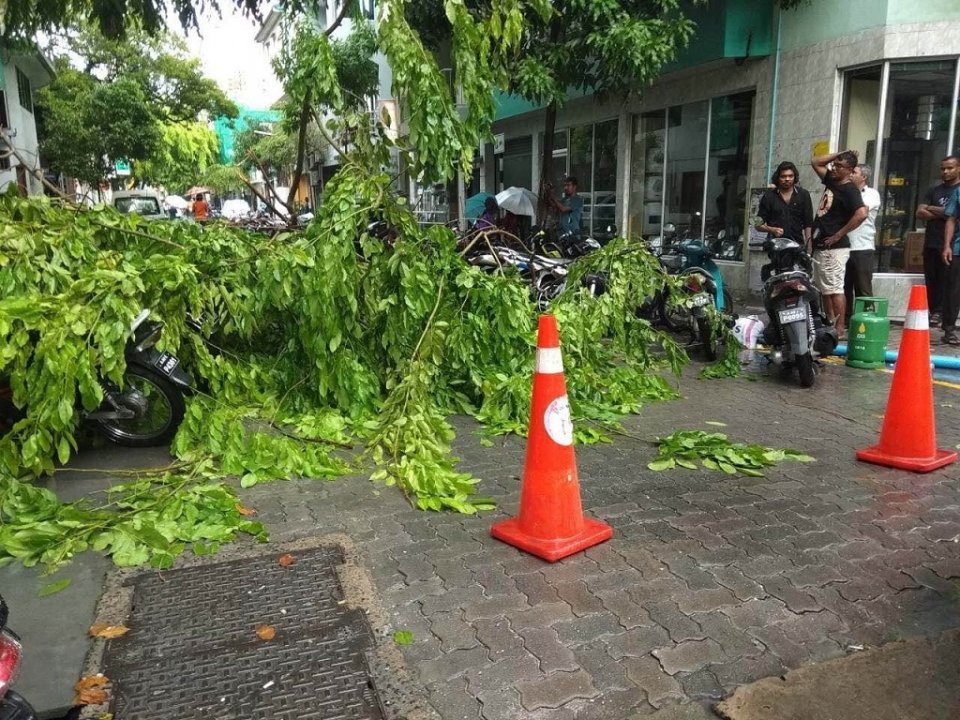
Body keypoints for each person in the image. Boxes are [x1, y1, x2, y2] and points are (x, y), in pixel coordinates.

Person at [811, 150, 868, 339]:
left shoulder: (850, 189)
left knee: (835, 288)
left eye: (839, 166)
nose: (834, 168)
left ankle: (839, 328)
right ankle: (830, 323)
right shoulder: (832, 181)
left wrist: (839, 234)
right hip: (821, 245)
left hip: (834, 248)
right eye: (834, 165)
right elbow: (816, 162)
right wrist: (838, 154)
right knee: (825, 289)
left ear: (850, 170)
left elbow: (861, 214)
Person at [916, 156, 960, 322]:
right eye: (943, 168)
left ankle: (943, 314)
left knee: (947, 281)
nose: (946, 172)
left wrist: (933, 209)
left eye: (950, 168)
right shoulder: (933, 190)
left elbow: (951, 215)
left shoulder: (958, 190)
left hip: (951, 244)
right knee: (931, 279)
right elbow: (920, 212)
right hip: (932, 242)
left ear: (959, 168)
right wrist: (945, 213)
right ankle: (933, 310)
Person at [844, 163, 882, 313]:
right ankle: (845, 320)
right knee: (844, 286)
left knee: (863, 287)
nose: (851, 174)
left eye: (854, 172)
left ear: (864, 177)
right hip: (844, 246)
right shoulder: (845, 193)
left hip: (863, 247)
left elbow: (860, 212)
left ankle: (867, 319)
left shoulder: (872, 194)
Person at [757, 161, 813, 245]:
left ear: (795, 177)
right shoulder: (769, 196)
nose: (787, 179)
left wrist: (809, 245)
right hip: (776, 247)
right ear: (778, 178)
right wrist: (772, 230)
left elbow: (808, 223)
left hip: (797, 246)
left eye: (790, 176)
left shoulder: (803, 194)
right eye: (783, 176)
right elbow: (757, 224)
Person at [940, 185, 960, 345]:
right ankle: (949, 329)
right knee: (954, 290)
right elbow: (951, 219)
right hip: (958, 248)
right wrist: (947, 245)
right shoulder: (958, 191)